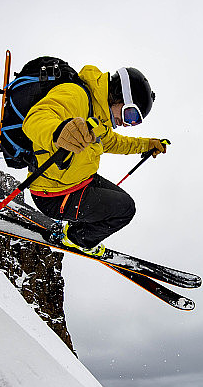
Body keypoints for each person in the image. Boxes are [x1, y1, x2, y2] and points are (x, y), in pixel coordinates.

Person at [22, 66, 166, 256]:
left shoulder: (99, 116)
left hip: (78, 181)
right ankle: (75, 239)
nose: (127, 123)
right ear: (118, 93)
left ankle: (78, 229)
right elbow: (36, 118)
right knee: (124, 210)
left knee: (123, 202)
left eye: (134, 121)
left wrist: (147, 145)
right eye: (130, 114)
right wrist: (59, 131)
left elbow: (115, 142)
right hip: (54, 193)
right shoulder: (76, 95)